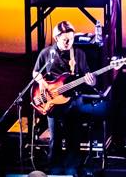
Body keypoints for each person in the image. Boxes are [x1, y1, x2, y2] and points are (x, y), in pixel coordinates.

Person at [31, 20, 107, 168]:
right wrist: (42, 82)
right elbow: (35, 72)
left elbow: (87, 77)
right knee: (55, 140)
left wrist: (91, 82)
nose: (68, 42)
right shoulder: (47, 53)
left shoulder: (78, 54)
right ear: (56, 38)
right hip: (52, 102)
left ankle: (73, 172)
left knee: (74, 140)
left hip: (73, 102)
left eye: (71, 39)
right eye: (65, 39)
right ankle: (53, 172)